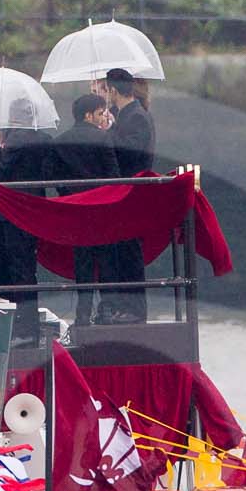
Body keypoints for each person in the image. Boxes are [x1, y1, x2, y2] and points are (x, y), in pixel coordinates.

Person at [0, 101, 54, 342]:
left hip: (11, 213)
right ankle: (27, 326)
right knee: (25, 270)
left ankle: (21, 328)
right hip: (32, 211)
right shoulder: (44, 139)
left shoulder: (13, 141)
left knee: (14, 271)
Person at [50, 93, 120, 327]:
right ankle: (107, 309)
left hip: (76, 208)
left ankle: (82, 314)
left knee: (83, 262)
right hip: (101, 207)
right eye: (100, 113)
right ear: (89, 115)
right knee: (107, 259)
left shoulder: (60, 141)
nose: (103, 118)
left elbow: (53, 177)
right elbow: (113, 175)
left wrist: (67, 194)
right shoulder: (103, 139)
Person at [99, 68, 155, 324]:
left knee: (131, 253)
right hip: (125, 194)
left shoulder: (137, 117)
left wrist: (109, 135)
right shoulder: (126, 116)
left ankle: (135, 310)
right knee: (123, 251)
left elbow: (131, 154)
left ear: (112, 90)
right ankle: (125, 308)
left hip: (133, 193)